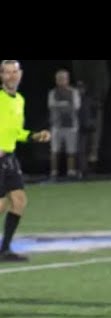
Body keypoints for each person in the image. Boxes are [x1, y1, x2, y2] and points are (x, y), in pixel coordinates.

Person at [0, 60, 51, 261]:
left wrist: (35, 136)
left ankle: (4, 250)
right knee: (2, 205)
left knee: (19, 201)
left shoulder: (19, 100)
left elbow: (16, 132)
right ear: (1, 76)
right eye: (7, 72)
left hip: (10, 158)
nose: (12, 76)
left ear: (20, 74)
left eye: (15, 72)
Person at [48, 69, 81, 179]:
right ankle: (54, 172)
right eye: (59, 79)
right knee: (55, 150)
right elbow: (52, 106)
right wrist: (66, 105)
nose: (61, 81)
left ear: (67, 80)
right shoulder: (52, 93)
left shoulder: (74, 92)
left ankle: (71, 171)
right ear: (56, 80)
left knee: (71, 150)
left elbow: (76, 107)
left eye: (64, 79)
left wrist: (62, 106)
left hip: (71, 126)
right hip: (57, 126)